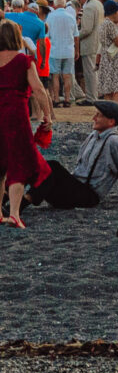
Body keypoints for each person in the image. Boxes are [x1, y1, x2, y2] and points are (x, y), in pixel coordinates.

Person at [28, 100, 118, 210]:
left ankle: (23, 203)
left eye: (99, 115)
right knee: (39, 166)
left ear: (111, 122)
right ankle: (15, 200)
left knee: (53, 166)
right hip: (75, 189)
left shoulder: (116, 143)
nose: (94, 118)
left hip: (89, 196)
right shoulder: (93, 135)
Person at [0, 17, 54, 226]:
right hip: (16, 115)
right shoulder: (24, 62)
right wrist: (47, 115)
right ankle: (14, 213)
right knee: (18, 163)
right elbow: (39, 91)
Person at [46, 0, 79, 108]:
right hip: (69, 50)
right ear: (64, 6)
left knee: (55, 75)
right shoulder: (71, 17)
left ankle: (56, 99)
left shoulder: (50, 17)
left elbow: (47, 35)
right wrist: (77, 50)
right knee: (67, 75)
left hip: (54, 50)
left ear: (54, 6)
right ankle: (67, 98)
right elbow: (76, 35)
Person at [95, 0, 118, 101]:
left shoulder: (104, 23)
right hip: (115, 58)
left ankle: (108, 113)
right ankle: (115, 112)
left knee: (108, 89)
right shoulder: (110, 24)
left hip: (106, 56)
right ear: (113, 12)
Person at [76, 0, 104, 104]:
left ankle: (91, 98)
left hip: (89, 43)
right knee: (95, 70)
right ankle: (95, 95)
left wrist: (76, 37)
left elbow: (86, 29)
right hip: (98, 41)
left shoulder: (89, 7)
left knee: (90, 72)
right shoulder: (98, 4)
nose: (78, 1)